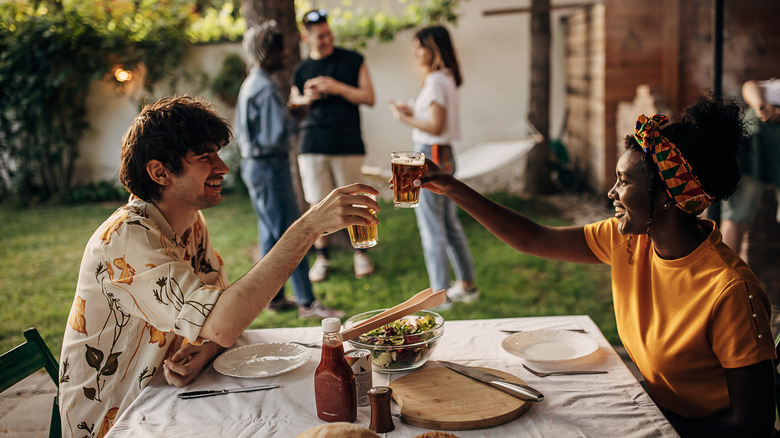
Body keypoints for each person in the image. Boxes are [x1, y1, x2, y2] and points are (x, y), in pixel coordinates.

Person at [414, 96, 776, 436]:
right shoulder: (632, 240)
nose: (611, 193)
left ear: (666, 197)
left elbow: (752, 425)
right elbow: (534, 239)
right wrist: (451, 188)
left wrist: (650, 428)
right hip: (654, 416)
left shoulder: (729, 291)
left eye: (624, 181)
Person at [58, 96, 379, 437]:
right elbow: (224, 324)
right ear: (160, 172)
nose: (223, 167)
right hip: (114, 419)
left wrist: (206, 347)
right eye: (205, 157)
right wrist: (308, 227)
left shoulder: (189, 222)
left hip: (166, 397)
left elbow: (224, 314)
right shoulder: (125, 238)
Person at [235, 21, 342, 319]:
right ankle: (308, 303)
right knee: (290, 236)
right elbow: (274, 137)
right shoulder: (265, 87)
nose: (285, 55)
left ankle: (275, 297)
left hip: (257, 168)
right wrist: (298, 115)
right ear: (267, 52)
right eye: (281, 49)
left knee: (270, 234)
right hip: (270, 167)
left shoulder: (253, 83)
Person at [388, 25, 479, 308]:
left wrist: (403, 119)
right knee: (449, 224)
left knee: (431, 226)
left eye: (419, 46)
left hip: (430, 154)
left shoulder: (436, 80)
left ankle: (439, 296)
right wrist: (413, 111)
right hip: (445, 153)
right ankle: (466, 285)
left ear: (434, 49)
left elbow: (435, 126)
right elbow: (436, 119)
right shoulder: (446, 77)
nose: (415, 52)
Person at [292, 8, 376, 282]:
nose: (326, 40)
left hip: (347, 141)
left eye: (328, 34)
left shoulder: (353, 60)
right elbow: (295, 105)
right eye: (319, 36)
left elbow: (369, 97)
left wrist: (338, 87)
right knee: (318, 204)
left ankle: (361, 253)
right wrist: (306, 99)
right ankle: (323, 258)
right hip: (312, 143)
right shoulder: (301, 69)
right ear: (306, 38)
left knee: (356, 201)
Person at [720, 78, 780, 259]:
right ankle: (725, 276)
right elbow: (750, 86)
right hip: (753, 142)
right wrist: (761, 105)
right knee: (735, 215)